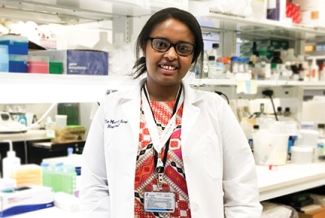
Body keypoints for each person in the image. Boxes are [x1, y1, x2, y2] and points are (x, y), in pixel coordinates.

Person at [80, 7, 262, 218]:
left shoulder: (215, 108)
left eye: (183, 48)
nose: (171, 55)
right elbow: (94, 185)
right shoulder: (112, 107)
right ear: (144, 46)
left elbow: (242, 188)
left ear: (193, 57)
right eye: (161, 44)